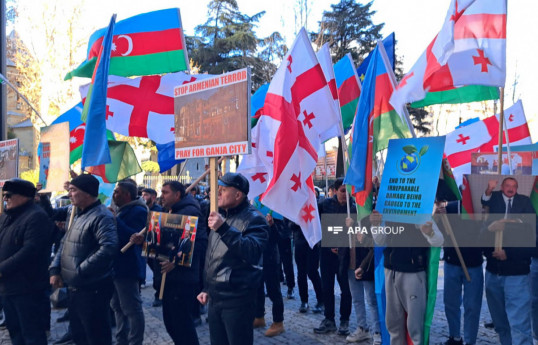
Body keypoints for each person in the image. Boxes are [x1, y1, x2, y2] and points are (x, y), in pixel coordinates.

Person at [197, 172, 269, 345]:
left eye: (223, 189)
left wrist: (223, 229)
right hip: (215, 298)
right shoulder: (221, 215)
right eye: (218, 189)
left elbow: (252, 252)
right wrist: (207, 288)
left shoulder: (255, 219)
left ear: (238, 194)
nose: (218, 193)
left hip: (237, 299)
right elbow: (213, 256)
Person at [133, 181, 206, 345]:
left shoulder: (191, 212)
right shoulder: (168, 210)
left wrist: (177, 261)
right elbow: (163, 240)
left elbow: (199, 244)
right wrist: (143, 240)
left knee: (182, 325)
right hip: (168, 277)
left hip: (183, 278)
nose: (161, 196)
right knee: (171, 323)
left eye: (165, 192)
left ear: (177, 195)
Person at [49, 174, 118, 345]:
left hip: (92, 287)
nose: (69, 194)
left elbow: (108, 247)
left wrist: (80, 270)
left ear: (87, 193)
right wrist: (55, 269)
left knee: (95, 336)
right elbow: (65, 243)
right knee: (80, 335)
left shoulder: (101, 216)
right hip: (76, 287)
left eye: (73, 190)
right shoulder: (78, 214)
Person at [370, 203, 444, 344]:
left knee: (415, 326)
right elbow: (380, 240)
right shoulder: (388, 211)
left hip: (412, 272)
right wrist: (375, 226)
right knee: (393, 323)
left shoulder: (420, 212)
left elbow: (438, 240)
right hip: (391, 271)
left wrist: (430, 233)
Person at [481, 177, 535, 345]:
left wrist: (509, 253)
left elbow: (531, 234)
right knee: (501, 325)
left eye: (514, 186)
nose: (511, 189)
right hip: (492, 274)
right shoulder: (493, 199)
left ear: (517, 188)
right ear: (502, 187)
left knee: (519, 327)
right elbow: (482, 236)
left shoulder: (525, 202)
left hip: (516, 275)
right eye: (508, 185)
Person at [0, 179, 53, 345]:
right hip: (8, 287)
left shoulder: (36, 217)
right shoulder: (8, 216)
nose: (5, 199)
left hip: (28, 288)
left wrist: (2, 268)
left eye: (8, 195)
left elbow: (30, 251)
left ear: (23, 196)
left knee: (32, 334)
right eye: (4, 195)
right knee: (16, 333)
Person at [110, 182, 147, 345]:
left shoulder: (138, 211)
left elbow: (133, 237)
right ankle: (121, 339)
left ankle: (134, 341)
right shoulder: (121, 210)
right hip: (116, 266)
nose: (114, 195)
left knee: (131, 308)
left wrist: (115, 221)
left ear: (127, 195)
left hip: (128, 267)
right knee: (117, 306)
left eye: (117, 192)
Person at [314, 178, 352, 336]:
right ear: (335, 190)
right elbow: (313, 221)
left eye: (349, 192)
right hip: (326, 254)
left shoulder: (353, 208)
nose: (346, 195)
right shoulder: (324, 204)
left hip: (345, 257)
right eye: (343, 191)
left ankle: (344, 321)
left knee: (346, 289)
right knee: (327, 287)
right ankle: (329, 319)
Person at [253, 213, 285, 337]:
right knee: (258, 287)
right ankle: (259, 316)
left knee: (273, 290)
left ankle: (278, 322)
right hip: (257, 255)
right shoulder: (253, 210)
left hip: (270, 256)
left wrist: (272, 225)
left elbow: (281, 237)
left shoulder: (276, 211)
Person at [288, 218, 324, 314]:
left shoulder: (315, 203)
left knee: (312, 272)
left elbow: (320, 221)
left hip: (313, 242)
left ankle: (321, 300)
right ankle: (304, 301)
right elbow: (289, 225)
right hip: (299, 242)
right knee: (301, 274)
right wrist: (297, 222)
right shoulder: (294, 206)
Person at [141, 187, 163, 307]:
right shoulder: (144, 209)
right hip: (147, 244)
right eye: (142, 195)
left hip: (155, 244)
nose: (143, 197)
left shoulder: (158, 210)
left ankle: (159, 294)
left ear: (153, 197)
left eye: (146, 195)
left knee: (158, 271)